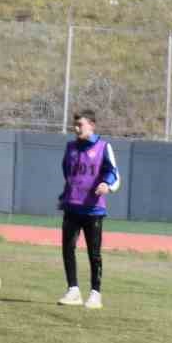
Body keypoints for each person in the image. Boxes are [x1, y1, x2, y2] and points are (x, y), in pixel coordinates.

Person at [57, 110, 120, 309]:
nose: (76, 129)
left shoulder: (103, 147)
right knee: (68, 249)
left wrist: (107, 186)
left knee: (94, 253)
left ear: (92, 125)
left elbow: (114, 174)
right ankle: (73, 290)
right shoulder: (70, 148)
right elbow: (67, 172)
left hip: (93, 210)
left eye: (80, 125)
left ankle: (95, 294)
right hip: (72, 207)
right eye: (74, 125)